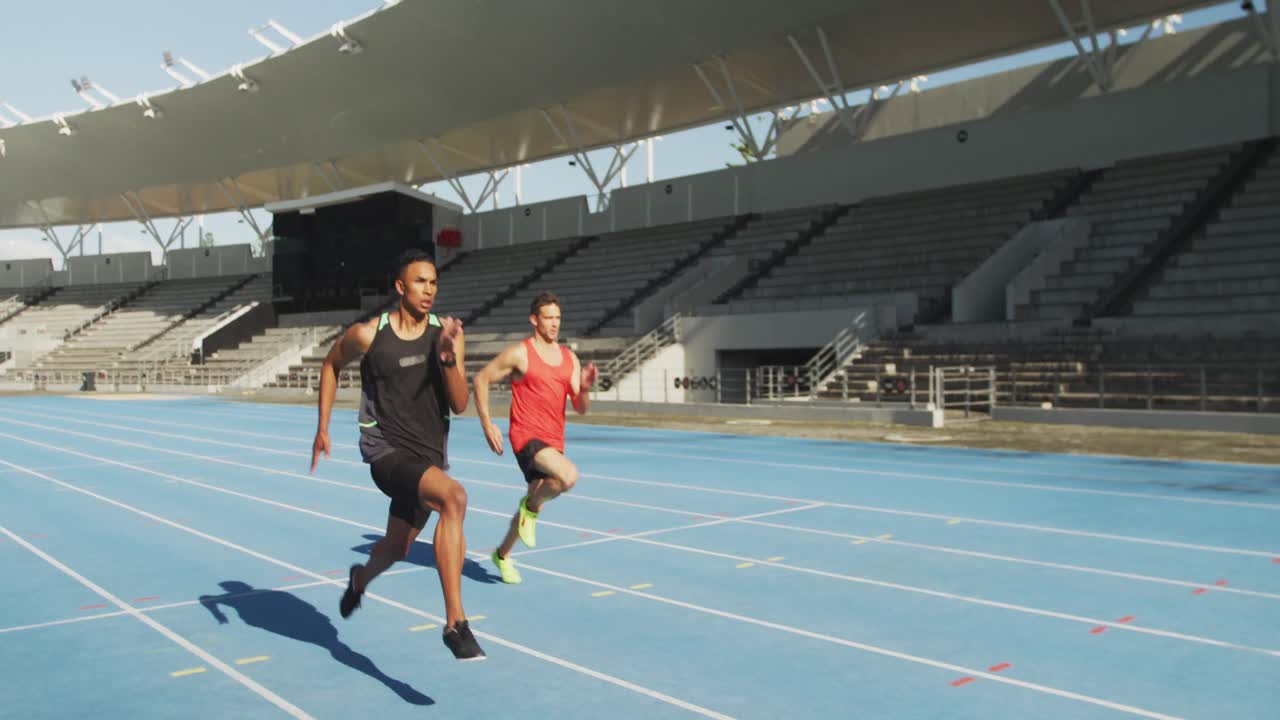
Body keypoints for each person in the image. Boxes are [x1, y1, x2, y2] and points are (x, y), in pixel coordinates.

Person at [310, 248, 484, 661]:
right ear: (400, 287)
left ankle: (359, 580)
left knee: (397, 548)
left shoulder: (447, 334)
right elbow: (331, 365)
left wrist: (446, 359)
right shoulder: (369, 334)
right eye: (420, 282)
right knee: (454, 498)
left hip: (428, 459)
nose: (429, 290)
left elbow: (459, 404)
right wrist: (322, 426)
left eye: (434, 282)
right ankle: (455, 623)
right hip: (385, 452)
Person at [472, 292, 598, 584]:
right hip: (526, 436)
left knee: (538, 499)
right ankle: (528, 510)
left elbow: (580, 408)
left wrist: (587, 388)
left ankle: (502, 555)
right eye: (548, 318)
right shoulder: (521, 353)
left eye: (557, 318)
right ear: (534, 320)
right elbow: (481, 379)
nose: (554, 324)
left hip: (555, 440)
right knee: (567, 476)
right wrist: (487, 424)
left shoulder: (570, 359)